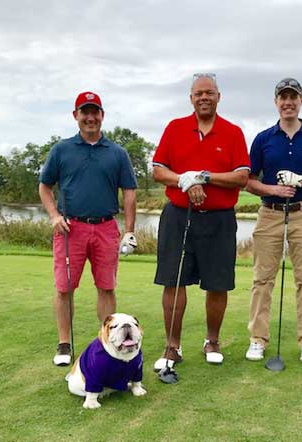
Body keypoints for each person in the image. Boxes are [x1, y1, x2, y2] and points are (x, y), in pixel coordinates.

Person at [151, 73, 250, 370]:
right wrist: (185, 180)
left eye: (209, 92)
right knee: (173, 281)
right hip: (178, 217)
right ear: (191, 98)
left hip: (219, 220)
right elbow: (159, 170)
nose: (204, 97)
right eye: (198, 93)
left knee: (217, 284)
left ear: (219, 97)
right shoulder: (175, 128)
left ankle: (212, 341)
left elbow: (241, 177)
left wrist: (203, 177)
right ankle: (172, 346)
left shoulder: (232, 132)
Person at [39, 91, 138, 366]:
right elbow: (44, 186)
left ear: (102, 116)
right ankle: (64, 344)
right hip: (70, 229)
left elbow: (129, 192)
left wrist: (129, 230)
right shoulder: (61, 150)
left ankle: (108, 344)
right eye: (85, 112)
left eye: (95, 112)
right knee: (64, 288)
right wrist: (54, 216)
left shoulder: (117, 153)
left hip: (106, 227)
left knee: (106, 287)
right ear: (76, 116)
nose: (90, 117)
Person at [245, 78, 302, 364]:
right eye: (283, 97)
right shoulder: (263, 139)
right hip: (270, 213)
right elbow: (248, 181)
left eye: (293, 97)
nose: (288, 102)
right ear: (276, 102)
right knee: (262, 279)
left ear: (301, 101)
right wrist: (273, 189)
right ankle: (257, 339)